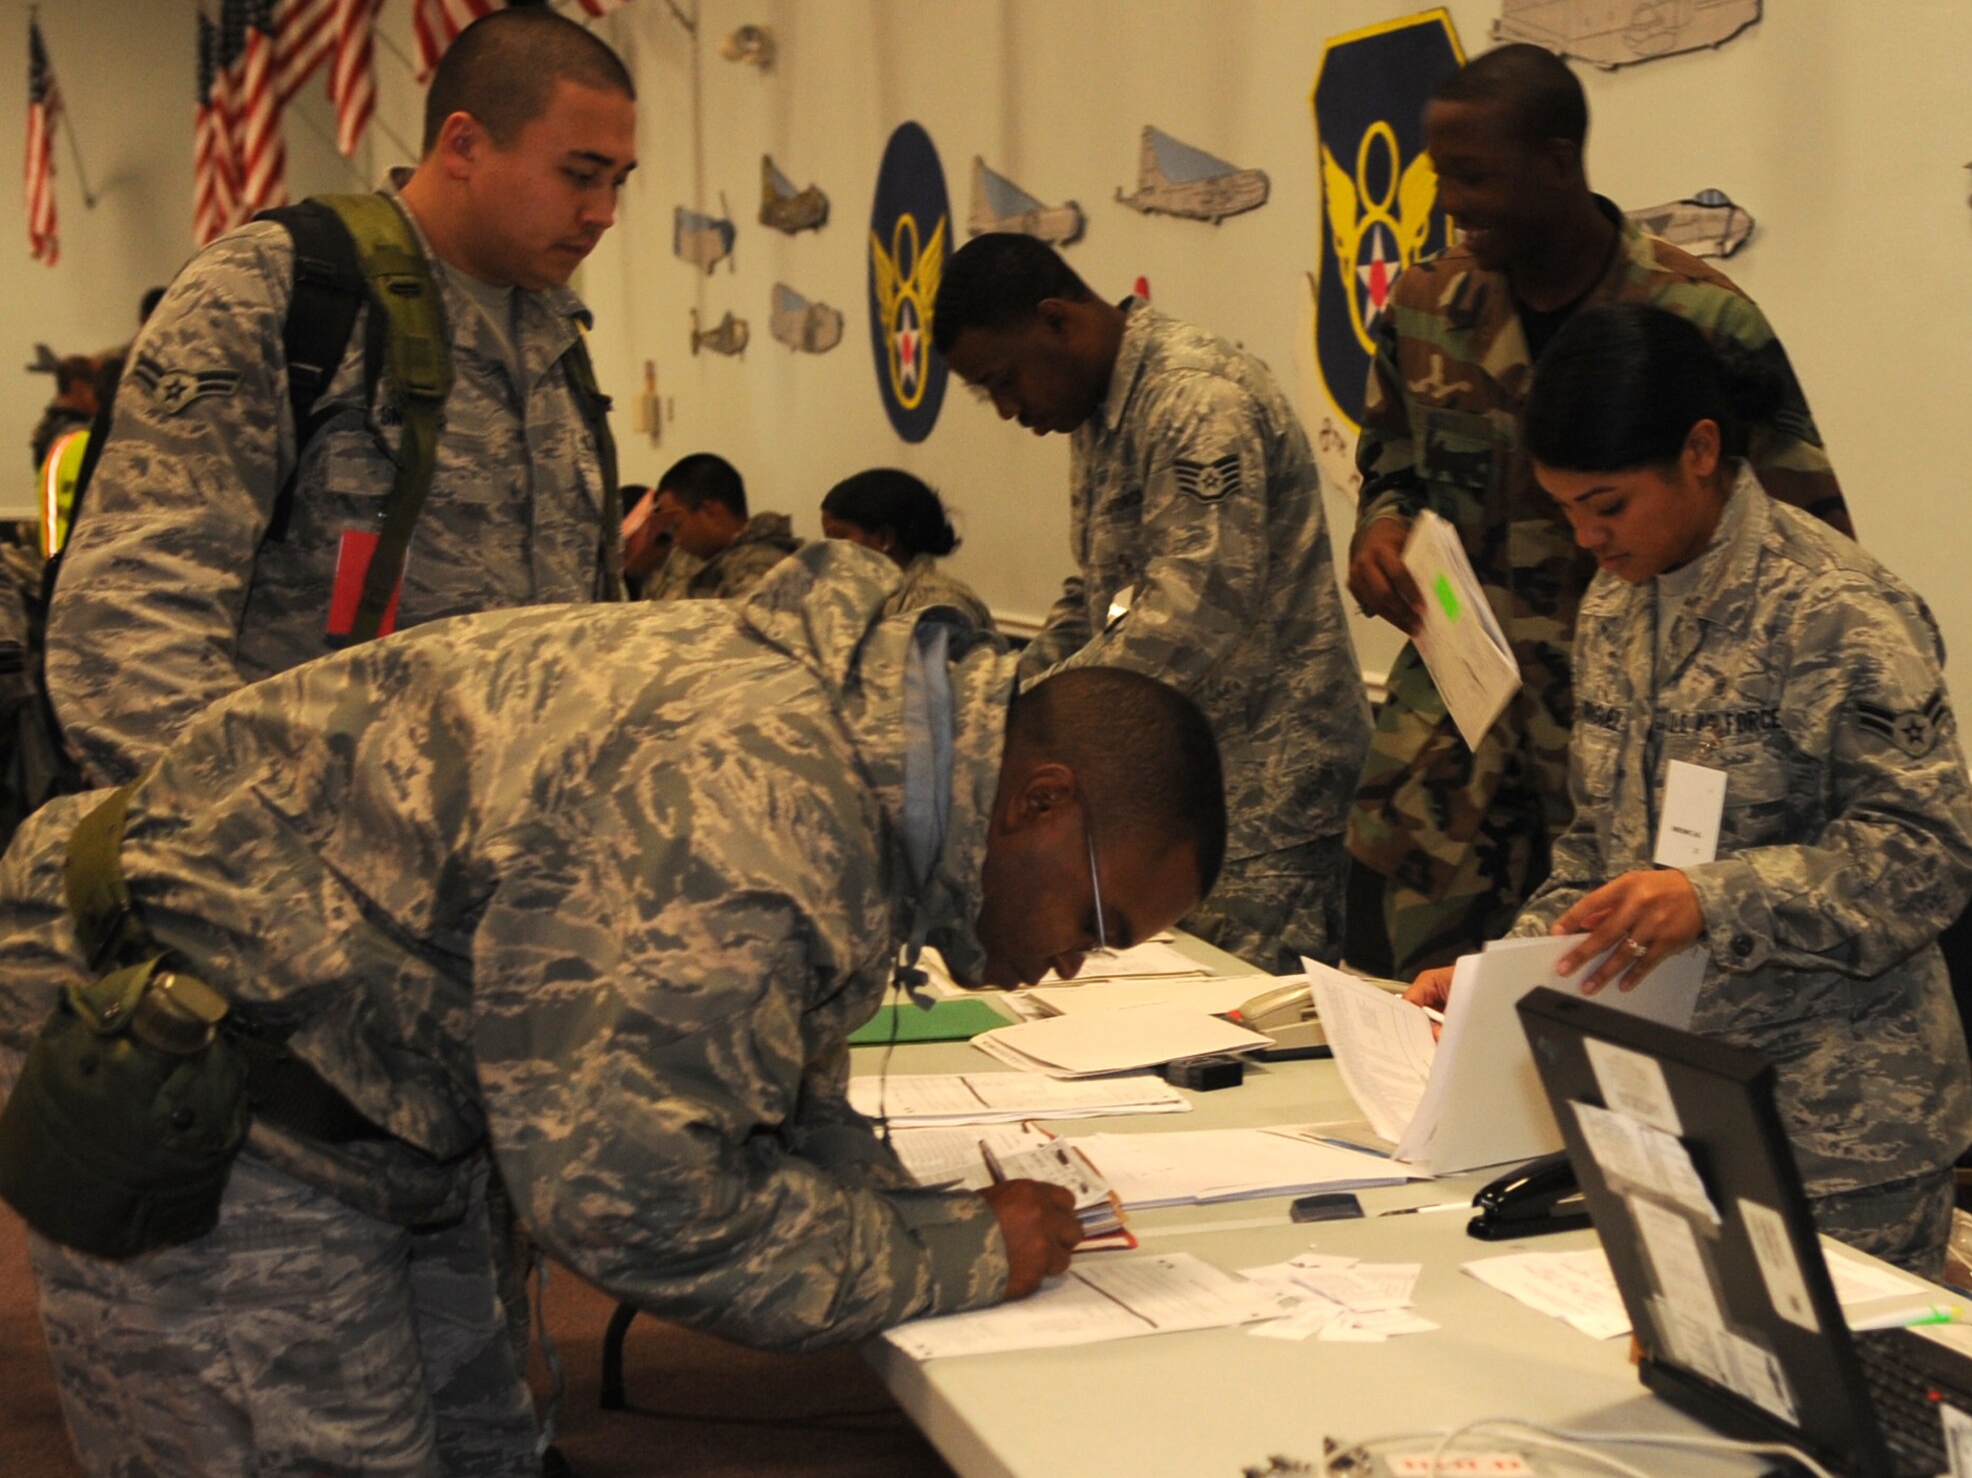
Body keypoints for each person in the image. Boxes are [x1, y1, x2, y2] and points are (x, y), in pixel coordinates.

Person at [0, 543, 1226, 1476]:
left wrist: (905, 1210)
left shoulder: (869, 751)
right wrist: (956, 1252)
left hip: (375, 1076)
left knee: (490, 1443)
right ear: (1038, 803)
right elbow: (637, 1206)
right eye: (1095, 924)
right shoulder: (752, 814)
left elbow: (754, 1078)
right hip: (200, 1080)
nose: (1072, 966)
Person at [1406, 305, 1972, 1276]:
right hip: (1663, 1114)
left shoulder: (1835, 610)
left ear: (1699, 450)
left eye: (1607, 504)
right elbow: (1595, 851)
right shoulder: (1619, 604)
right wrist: (1503, 971)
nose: (1586, 537)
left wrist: (1712, 897)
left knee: (1829, 1423)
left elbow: (1924, 858)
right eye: (1566, 511)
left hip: (1835, 1144)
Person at [1346, 42, 1850, 982]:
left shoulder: (1697, 318)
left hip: (1644, 773)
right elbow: (1395, 466)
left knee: (1617, 1030)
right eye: (1438, 175)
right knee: (1440, 1022)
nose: (1450, 200)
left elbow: (1802, 544)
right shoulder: (1422, 308)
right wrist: (1380, 526)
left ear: (1557, 160)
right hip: (1461, 762)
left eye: (1474, 175)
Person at [45, 7, 639, 789]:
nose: (603, 213)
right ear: (464, 144)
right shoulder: (276, 290)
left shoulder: (556, 338)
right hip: (298, 857)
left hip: (514, 859)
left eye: (617, 182)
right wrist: (246, 837)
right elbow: (128, 624)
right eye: (579, 174)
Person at [934, 233, 1369, 975]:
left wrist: (1023, 729)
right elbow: (1097, 593)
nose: (1008, 409)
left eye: (1004, 380)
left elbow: (1194, 609)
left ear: (1056, 321)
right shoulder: (1103, 411)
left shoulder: (1198, 399)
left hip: (1263, 802)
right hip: (1160, 797)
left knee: (1239, 1041)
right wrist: (998, 707)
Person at [821, 466, 994, 628]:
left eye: (839, 536)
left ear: (884, 539)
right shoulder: (868, 596)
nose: (829, 549)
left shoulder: (936, 606)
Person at [635, 451, 802, 601]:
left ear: (710, 511)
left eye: (678, 525)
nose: (677, 539)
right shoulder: (693, 560)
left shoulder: (762, 569)